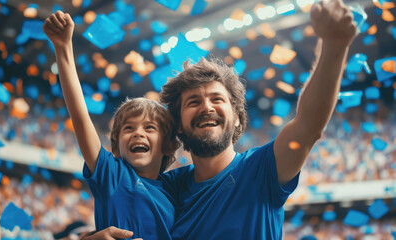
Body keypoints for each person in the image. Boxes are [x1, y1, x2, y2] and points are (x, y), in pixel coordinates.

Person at [80, 0, 358, 238]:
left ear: (237, 118)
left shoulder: (262, 171)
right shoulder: (169, 186)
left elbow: (308, 126)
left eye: (217, 99)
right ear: (177, 125)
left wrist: (334, 47)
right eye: (193, 102)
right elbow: (116, 203)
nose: (206, 107)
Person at [43, 11, 180, 240]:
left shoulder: (177, 187)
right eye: (128, 128)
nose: (138, 133)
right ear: (115, 148)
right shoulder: (113, 174)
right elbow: (79, 115)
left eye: (149, 128)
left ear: (167, 145)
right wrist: (63, 46)